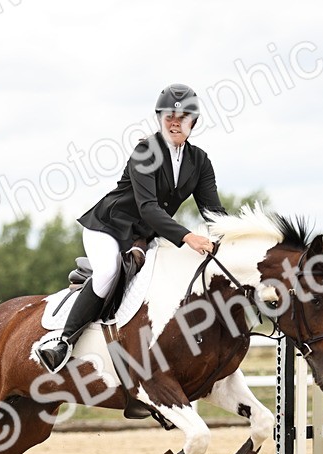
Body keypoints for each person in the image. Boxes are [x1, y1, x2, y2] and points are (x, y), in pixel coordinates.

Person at [35, 83, 228, 373]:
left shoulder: (199, 161)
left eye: (182, 118)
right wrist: (188, 236)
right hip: (109, 228)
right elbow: (148, 208)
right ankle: (63, 342)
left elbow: (213, 212)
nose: (175, 123)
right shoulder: (146, 151)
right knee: (108, 271)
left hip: (144, 237)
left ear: (194, 122)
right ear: (160, 119)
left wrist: (232, 238)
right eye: (169, 117)